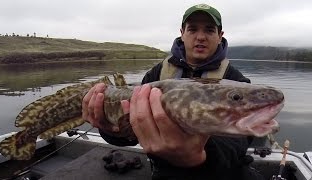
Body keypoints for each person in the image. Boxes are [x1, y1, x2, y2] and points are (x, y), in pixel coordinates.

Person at [82, 4, 264, 180]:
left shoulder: (234, 81)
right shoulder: (156, 74)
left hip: (218, 171)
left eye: (209, 30)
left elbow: (239, 142)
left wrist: (201, 156)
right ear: (182, 33)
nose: (200, 37)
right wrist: (111, 130)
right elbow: (131, 135)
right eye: (192, 29)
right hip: (167, 170)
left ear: (220, 36)